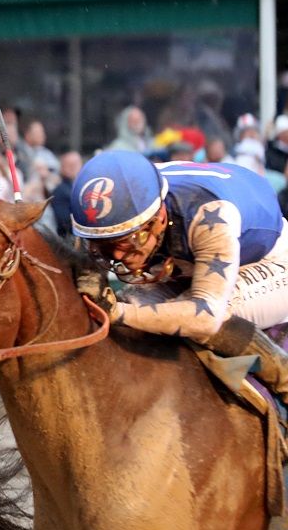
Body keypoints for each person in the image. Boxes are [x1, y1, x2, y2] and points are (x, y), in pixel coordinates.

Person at [70, 150, 288, 401]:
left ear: (159, 218)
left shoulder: (209, 213)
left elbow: (206, 317)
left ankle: (284, 382)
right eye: (105, 245)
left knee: (192, 315)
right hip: (194, 261)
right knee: (131, 301)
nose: (118, 255)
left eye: (128, 241)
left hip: (270, 260)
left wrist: (119, 313)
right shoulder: (131, 199)